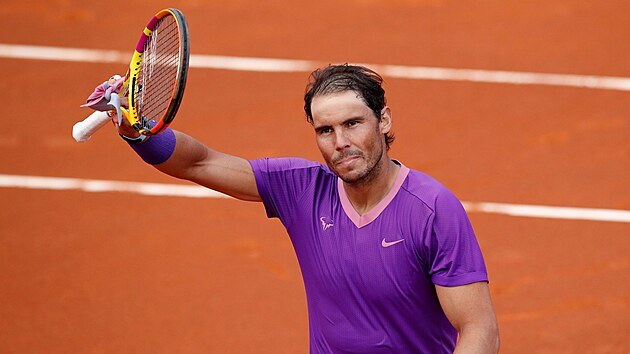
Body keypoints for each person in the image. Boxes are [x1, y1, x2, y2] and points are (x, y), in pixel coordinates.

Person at [113, 64, 500, 353]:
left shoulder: (432, 208)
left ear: (383, 120)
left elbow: (479, 330)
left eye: (353, 124)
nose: (340, 142)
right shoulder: (301, 189)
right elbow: (197, 162)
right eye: (325, 130)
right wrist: (137, 127)